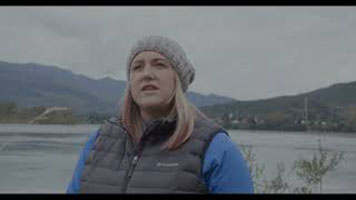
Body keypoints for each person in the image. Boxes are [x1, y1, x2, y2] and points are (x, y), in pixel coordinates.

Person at [66, 35, 254, 194]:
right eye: (137, 67)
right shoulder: (99, 140)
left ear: (178, 79)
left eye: (159, 65)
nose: (147, 74)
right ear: (130, 81)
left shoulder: (215, 147)